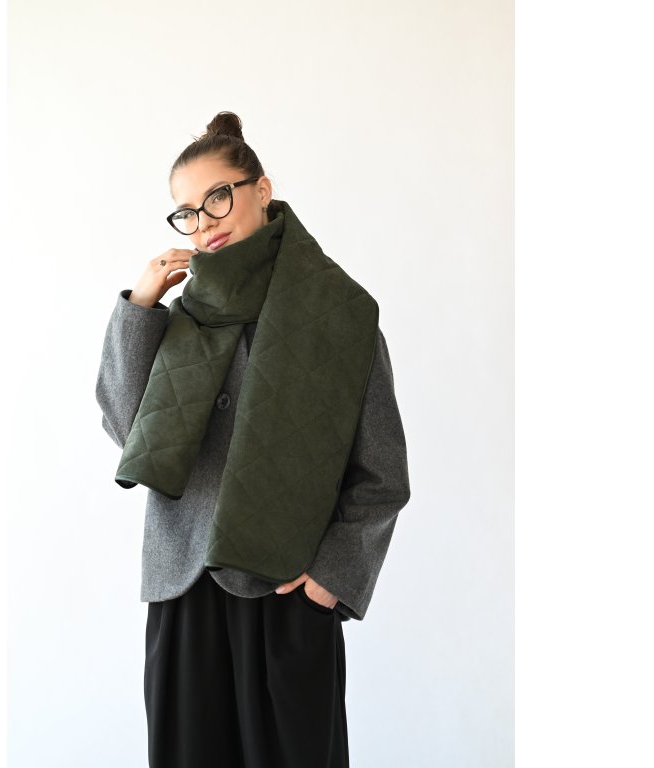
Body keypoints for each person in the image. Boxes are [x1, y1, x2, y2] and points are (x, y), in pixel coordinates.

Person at [95, 111, 411, 768]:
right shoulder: (180, 319)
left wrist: (330, 580)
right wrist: (139, 307)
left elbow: (381, 474)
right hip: (183, 591)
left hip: (285, 596)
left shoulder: (341, 317)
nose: (204, 222)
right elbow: (127, 430)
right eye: (187, 212)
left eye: (218, 197)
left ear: (261, 189)